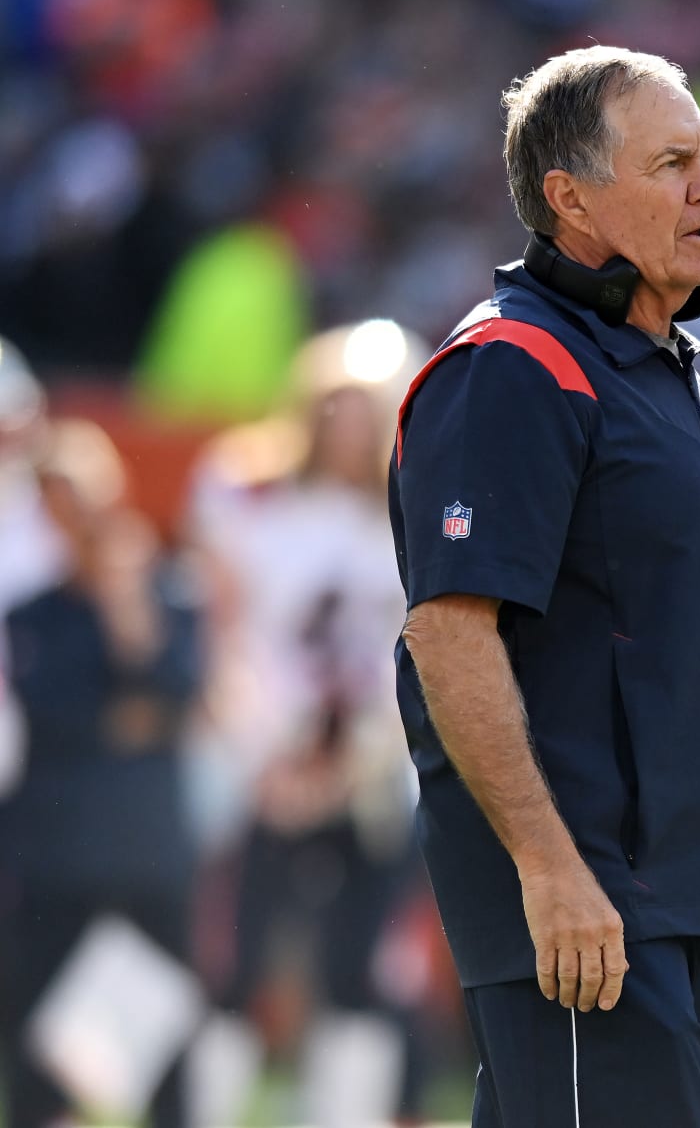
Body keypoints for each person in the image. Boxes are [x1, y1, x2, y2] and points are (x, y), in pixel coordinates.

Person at [388, 46, 700, 1126]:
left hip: (655, 900)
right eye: (672, 163)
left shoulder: (656, 368)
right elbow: (450, 633)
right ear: (570, 197)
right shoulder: (514, 365)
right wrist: (553, 869)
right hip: (591, 903)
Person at [188, 321, 429, 1126]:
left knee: (361, 965)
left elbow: (429, 653)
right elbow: (217, 637)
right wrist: (261, 753)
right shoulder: (246, 492)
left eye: (367, 408)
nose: (349, 426)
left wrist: (359, 759)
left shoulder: (411, 517)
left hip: (368, 768)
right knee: (231, 956)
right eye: (337, 404)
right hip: (256, 760)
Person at [0, 419, 204, 1128]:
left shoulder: (169, 595)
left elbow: (176, 690)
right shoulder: (32, 611)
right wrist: (125, 716)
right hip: (54, 857)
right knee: (38, 1051)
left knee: (164, 1049)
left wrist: (127, 601)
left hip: (146, 854)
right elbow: (58, 714)